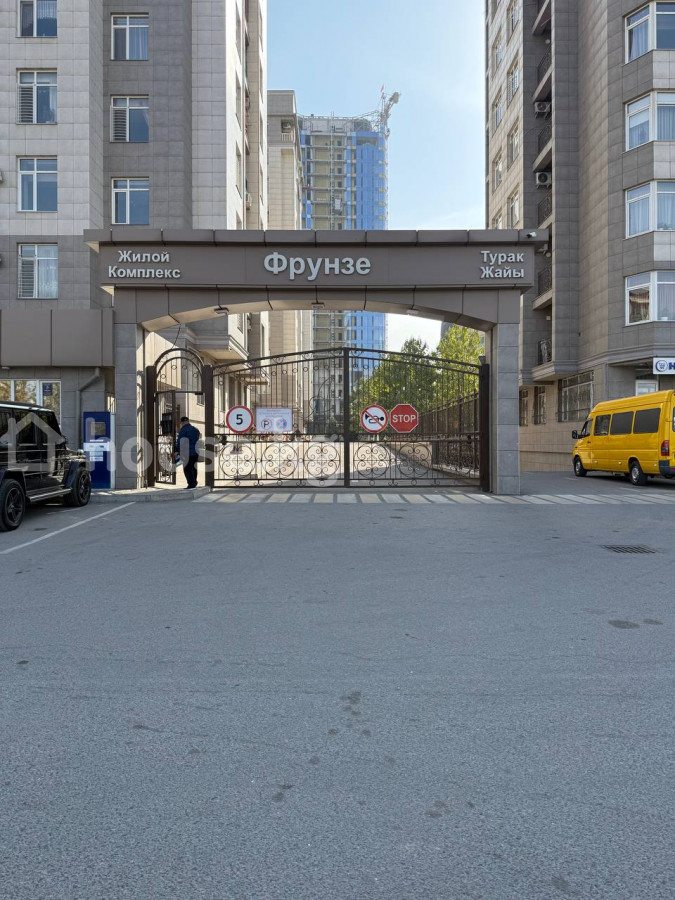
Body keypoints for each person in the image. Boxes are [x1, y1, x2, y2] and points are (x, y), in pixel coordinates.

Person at [175, 416, 201, 489]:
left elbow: (181, 441)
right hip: (195, 452)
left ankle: (191, 484)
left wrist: (177, 451)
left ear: (182, 422)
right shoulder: (195, 429)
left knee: (187, 469)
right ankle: (194, 482)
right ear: (188, 421)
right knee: (194, 468)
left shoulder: (183, 430)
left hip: (187, 452)